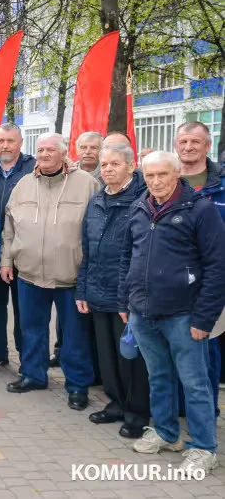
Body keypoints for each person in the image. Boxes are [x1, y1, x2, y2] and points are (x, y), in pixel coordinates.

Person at [120, 151, 225, 475]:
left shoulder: (200, 210)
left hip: (184, 315)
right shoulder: (139, 208)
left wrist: (203, 319)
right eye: (149, 176)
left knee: (195, 384)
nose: (155, 182)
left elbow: (217, 267)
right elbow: (128, 257)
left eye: (162, 175)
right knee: (159, 377)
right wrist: (125, 302)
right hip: (143, 313)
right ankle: (166, 433)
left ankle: (204, 447)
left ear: (177, 173)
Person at [1, 132, 99, 409]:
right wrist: (6, 261)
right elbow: (9, 228)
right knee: (31, 328)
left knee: (74, 335)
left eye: (50, 150)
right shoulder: (23, 184)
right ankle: (33, 374)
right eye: (40, 150)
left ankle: (77, 386)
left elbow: (96, 231)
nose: (44, 155)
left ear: (64, 152)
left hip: (71, 275)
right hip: (29, 273)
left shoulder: (87, 185)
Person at [76, 142, 149, 439]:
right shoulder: (96, 201)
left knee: (130, 358)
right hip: (97, 291)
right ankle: (116, 403)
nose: (107, 169)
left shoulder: (141, 200)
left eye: (114, 164)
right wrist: (82, 290)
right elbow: (88, 250)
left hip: (126, 296)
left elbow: (136, 254)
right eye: (104, 165)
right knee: (106, 356)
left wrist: (126, 297)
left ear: (130, 166)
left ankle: (136, 413)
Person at [174, 121, 225, 411]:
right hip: (172, 281)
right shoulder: (165, 180)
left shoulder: (220, 183)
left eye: (195, 142)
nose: (189, 147)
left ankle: (207, 409)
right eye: (183, 142)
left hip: (211, 281)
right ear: (175, 146)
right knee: (176, 347)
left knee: (206, 346)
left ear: (207, 145)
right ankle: (182, 408)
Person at [0, 123, 35, 370]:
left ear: (20, 142)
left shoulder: (33, 168)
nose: (5, 146)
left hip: (24, 248)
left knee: (24, 310)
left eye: (11, 141)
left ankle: (26, 357)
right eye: (1, 140)